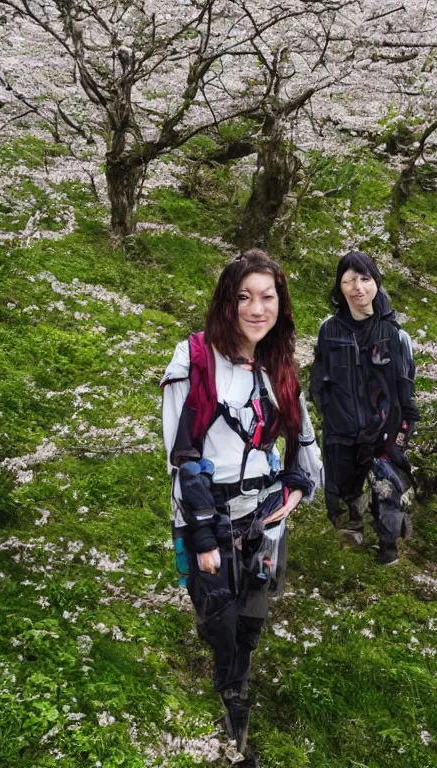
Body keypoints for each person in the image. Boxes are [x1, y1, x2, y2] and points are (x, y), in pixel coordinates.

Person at [160, 250, 322, 762]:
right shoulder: (195, 359)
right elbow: (180, 453)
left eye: (268, 297)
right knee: (218, 618)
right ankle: (225, 673)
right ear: (227, 302)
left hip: (264, 513)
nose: (257, 308)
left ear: (281, 303)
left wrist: (297, 485)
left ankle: (236, 698)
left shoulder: (280, 364)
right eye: (244, 297)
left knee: (253, 612)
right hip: (208, 514)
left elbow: (302, 434)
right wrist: (202, 536)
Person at [310, 250, 419, 566]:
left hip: (382, 431)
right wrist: (331, 415)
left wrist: (398, 435)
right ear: (339, 287)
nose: (358, 287)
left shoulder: (396, 335)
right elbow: (319, 380)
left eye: (364, 279)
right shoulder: (328, 329)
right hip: (341, 431)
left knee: (386, 491)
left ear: (375, 282)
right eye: (349, 281)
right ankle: (350, 547)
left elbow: (405, 393)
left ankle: (389, 550)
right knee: (343, 496)